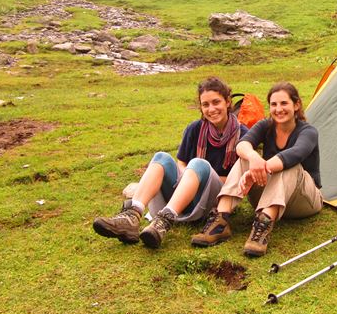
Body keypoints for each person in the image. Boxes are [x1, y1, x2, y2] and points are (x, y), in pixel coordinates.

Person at [93, 76, 248, 249]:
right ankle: (133, 215)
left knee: (199, 164)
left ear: (227, 102)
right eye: (205, 104)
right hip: (185, 193)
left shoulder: (243, 134)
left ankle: (165, 221)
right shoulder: (195, 128)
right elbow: (181, 162)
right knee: (162, 157)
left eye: (216, 102)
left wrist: (197, 174)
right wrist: (187, 177)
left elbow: (239, 179)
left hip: (215, 200)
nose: (211, 109)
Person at [191, 81, 322, 257]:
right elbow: (242, 145)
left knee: (291, 166)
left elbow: (296, 154)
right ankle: (220, 221)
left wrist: (260, 169)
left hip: (303, 200)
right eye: (274, 104)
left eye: (284, 103)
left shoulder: (308, 131)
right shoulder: (265, 125)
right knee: (246, 158)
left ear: (296, 105)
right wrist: (254, 159)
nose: (278, 109)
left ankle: (262, 226)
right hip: (269, 195)